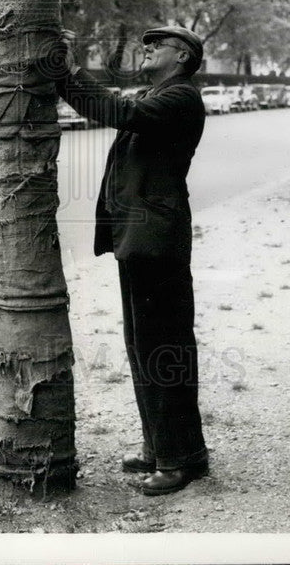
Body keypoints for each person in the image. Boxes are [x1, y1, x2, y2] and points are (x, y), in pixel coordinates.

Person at [56, 25, 209, 496]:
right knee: (145, 345)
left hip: (156, 239)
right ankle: (162, 447)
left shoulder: (180, 97)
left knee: (163, 348)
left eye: (155, 45)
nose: (145, 50)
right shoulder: (160, 94)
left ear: (181, 56)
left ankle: (179, 459)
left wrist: (67, 72)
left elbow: (115, 111)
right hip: (141, 238)